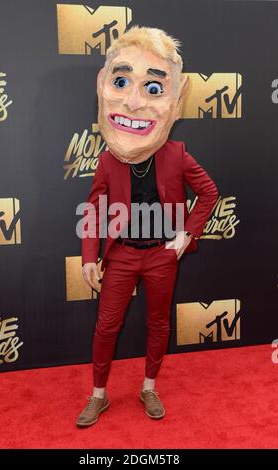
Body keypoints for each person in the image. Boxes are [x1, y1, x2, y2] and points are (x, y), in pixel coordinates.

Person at [76, 25, 219, 427]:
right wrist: (90, 256)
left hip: (161, 255)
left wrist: (185, 236)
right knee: (107, 326)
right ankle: (98, 395)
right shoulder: (108, 159)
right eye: (121, 82)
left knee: (159, 324)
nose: (136, 102)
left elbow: (209, 194)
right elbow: (94, 209)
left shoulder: (177, 154)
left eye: (153, 89)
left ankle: (149, 387)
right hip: (120, 255)